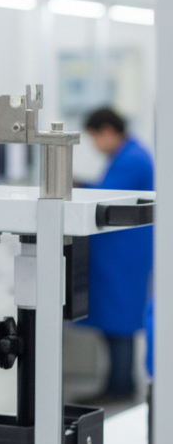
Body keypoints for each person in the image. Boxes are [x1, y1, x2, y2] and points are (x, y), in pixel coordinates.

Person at [80, 107, 153, 399]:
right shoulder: (129, 154)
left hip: (124, 255)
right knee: (117, 320)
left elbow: (106, 196)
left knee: (119, 322)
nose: (94, 146)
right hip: (122, 254)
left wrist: (82, 188)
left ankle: (120, 386)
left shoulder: (132, 159)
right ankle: (118, 383)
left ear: (107, 131)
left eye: (94, 138)